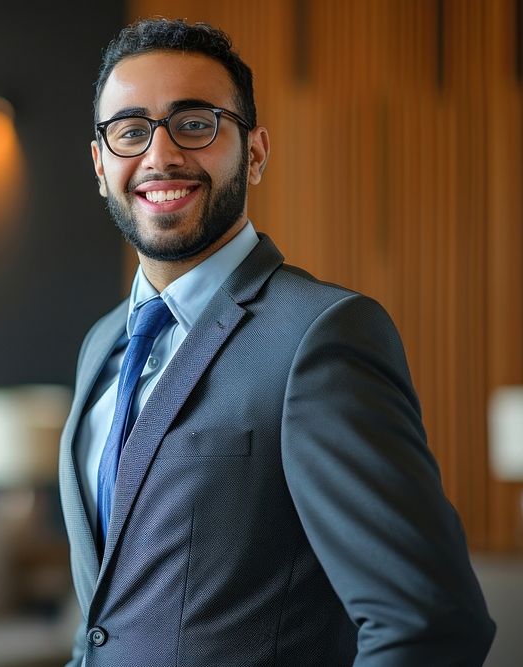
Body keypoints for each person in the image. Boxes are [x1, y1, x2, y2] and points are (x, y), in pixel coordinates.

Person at [58, 18, 495, 666]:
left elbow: (430, 623)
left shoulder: (320, 337)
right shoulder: (103, 345)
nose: (159, 155)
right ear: (101, 164)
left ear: (255, 151)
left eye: (195, 123)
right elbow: (107, 628)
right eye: (130, 131)